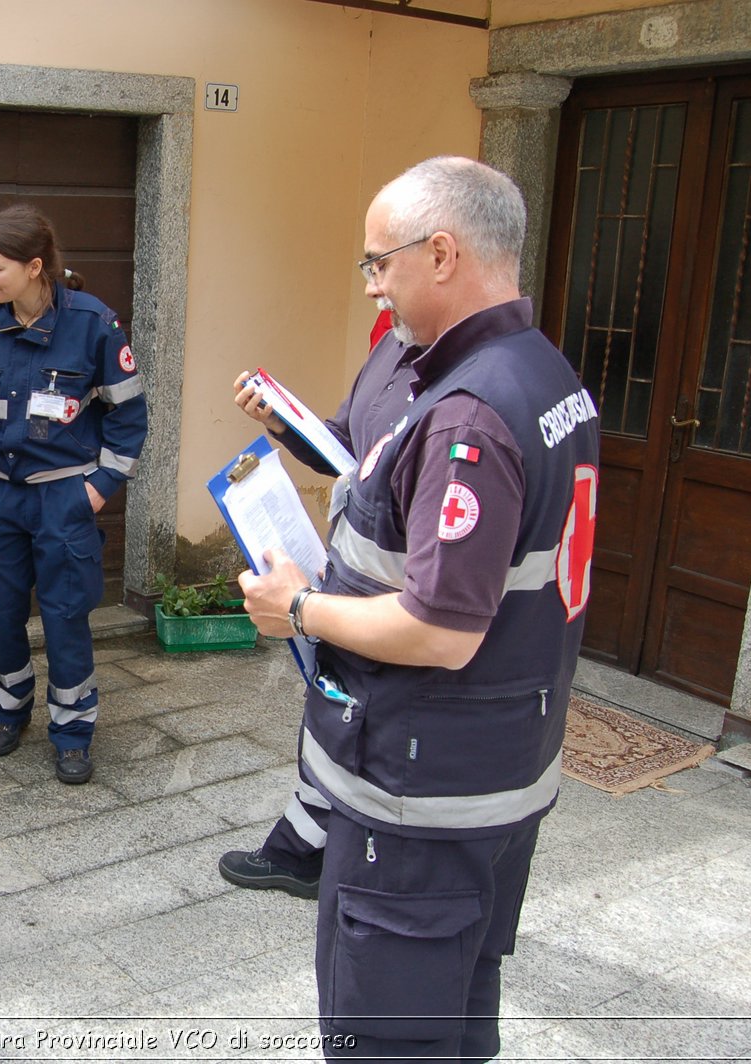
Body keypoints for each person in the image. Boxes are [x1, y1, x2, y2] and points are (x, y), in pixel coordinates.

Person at [236, 156, 599, 1062]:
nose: (371, 285)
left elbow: (441, 630)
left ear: (441, 253)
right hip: (498, 768)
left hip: (421, 793)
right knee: (459, 1017)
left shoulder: (469, 413)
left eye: (377, 262)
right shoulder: (538, 373)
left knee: (386, 1043)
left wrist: (301, 608)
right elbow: (374, 467)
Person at [0, 204, 148, 784]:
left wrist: (100, 487)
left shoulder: (94, 325)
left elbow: (129, 416)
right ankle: (9, 712)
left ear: (35, 267)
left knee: (65, 617)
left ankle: (73, 731)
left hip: (64, 499)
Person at [217, 306, 398, 899]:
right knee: (334, 695)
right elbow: (342, 448)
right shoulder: (392, 344)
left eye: (381, 265)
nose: (373, 290)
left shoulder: (454, 377)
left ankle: (307, 850)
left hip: (391, 584)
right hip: (354, 564)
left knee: (350, 703)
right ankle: (306, 845)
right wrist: (282, 424)